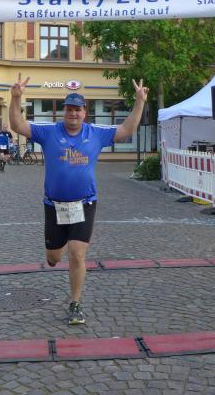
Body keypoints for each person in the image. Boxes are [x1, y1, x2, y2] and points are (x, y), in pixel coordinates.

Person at [9, 73, 148, 325]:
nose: (73, 113)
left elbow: (127, 130)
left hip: (84, 204)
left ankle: (75, 303)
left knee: (77, 254)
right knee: (53, 259)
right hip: (54, 205)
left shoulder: (95, 133)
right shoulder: (49, 132)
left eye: (78, 109)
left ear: (85, 112)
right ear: (64, 112)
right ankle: (57, 247)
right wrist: (16, 98)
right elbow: (18, 126)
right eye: (69, 109)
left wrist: (140, 101)